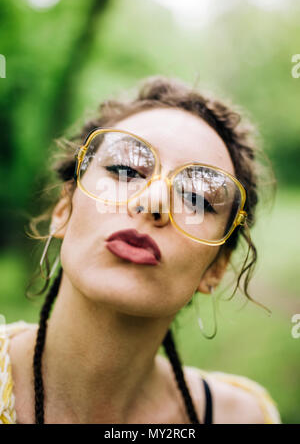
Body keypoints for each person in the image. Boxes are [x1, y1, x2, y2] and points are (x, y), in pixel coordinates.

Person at [0, 75, 282, 424]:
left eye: (196, 198)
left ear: (216, 268)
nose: (153, 202)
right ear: (63, 211)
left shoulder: (244, 418)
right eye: (125, 169)